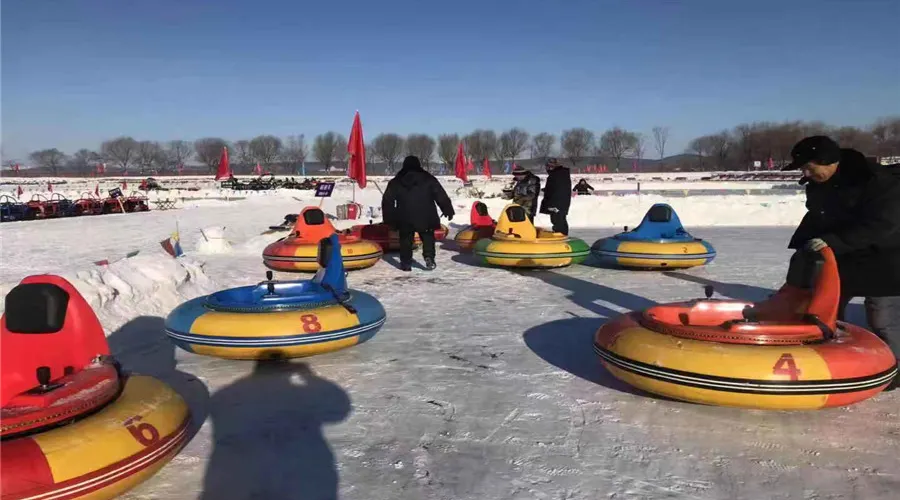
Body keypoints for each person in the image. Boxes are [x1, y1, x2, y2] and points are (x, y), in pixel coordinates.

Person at [784, 135, 900, 391]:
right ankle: (835, 360)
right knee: (827, 308)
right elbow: (817, 216)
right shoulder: (818, 183)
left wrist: (834, 241)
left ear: (827, 160)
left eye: (809, 167)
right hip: (844, 254)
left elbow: (883, 225)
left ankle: (894, 366)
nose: (805, 174)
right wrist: (803, 244)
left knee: (883, 316)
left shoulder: (877, 181)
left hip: (887, 255)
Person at [382, 155, 454, 271]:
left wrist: (389, 219)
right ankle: (429, 257)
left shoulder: (397, 181)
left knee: (405, 240)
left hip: (404, 216)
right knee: (428, 237)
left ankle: (406, 263)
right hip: (426, 216)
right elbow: (440, 194)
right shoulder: (428, 179)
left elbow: (387, 201)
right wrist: (447, 209)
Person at [539, 158, 572, 235]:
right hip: (560, 202)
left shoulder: (556, 175)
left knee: (557, 220)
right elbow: (558, 187)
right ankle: (560, 233)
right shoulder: (560, 174)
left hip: (556, 203)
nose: (547, 169)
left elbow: (557, 188)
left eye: (548, 167)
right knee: (558, 219)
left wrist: (548, 192)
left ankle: (560, 235)